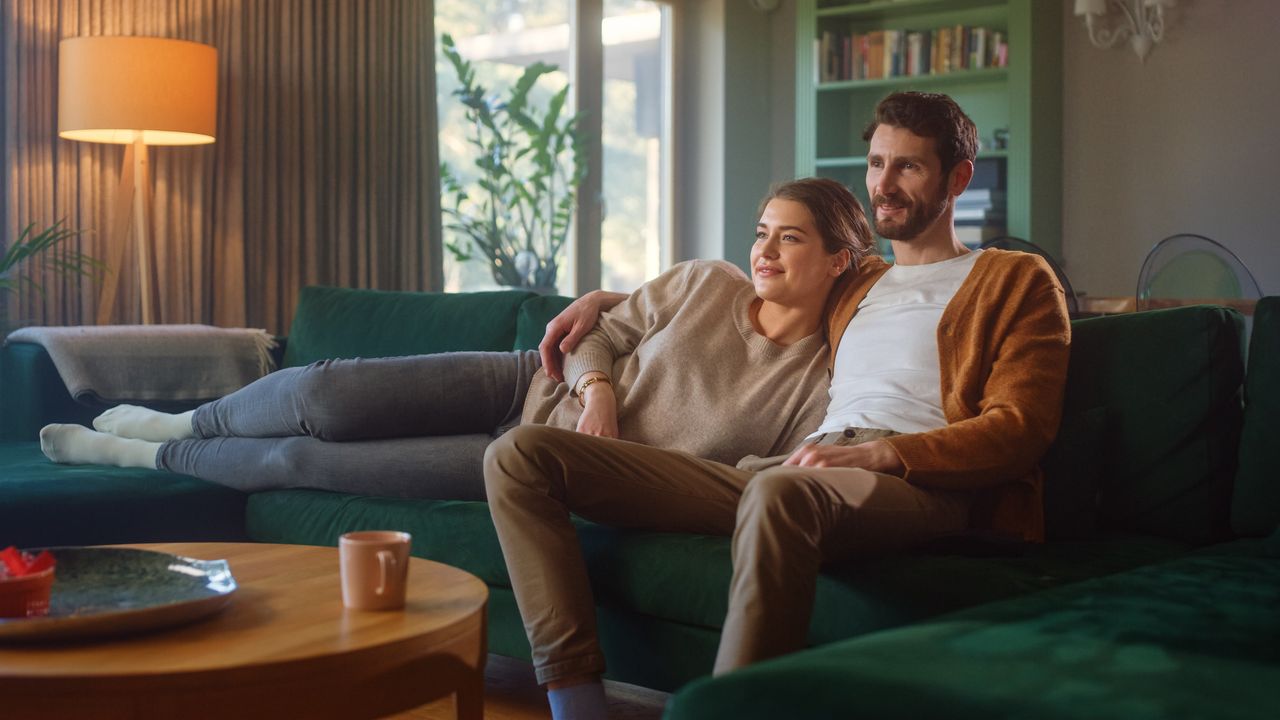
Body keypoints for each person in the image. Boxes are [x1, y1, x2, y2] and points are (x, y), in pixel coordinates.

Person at [484, 91, 1071, 719]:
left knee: (779, 493)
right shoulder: (862, 280)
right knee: (519, 455)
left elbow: (1019, 428)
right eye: (876, 163)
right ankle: (576, 701)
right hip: (794, 468)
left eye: (910, 167)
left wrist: (885, 453)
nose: (885, 184)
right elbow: (768, 281)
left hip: (914, 480)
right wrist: (610, 300)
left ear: (958, 177)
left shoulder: (1016, 279)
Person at [39, 178, 876, 503]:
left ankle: (141, 457)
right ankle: (181, 424)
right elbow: (603, 336)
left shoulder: (820, 381)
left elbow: (762, 470)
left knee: (304, 464)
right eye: (762, 231)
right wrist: (600, 395)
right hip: (527, 384)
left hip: (534, 461)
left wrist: (620, 459)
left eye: (790, 239)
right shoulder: (706, 281)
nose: (763, 249)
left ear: (842, 259)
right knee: (321, 392)